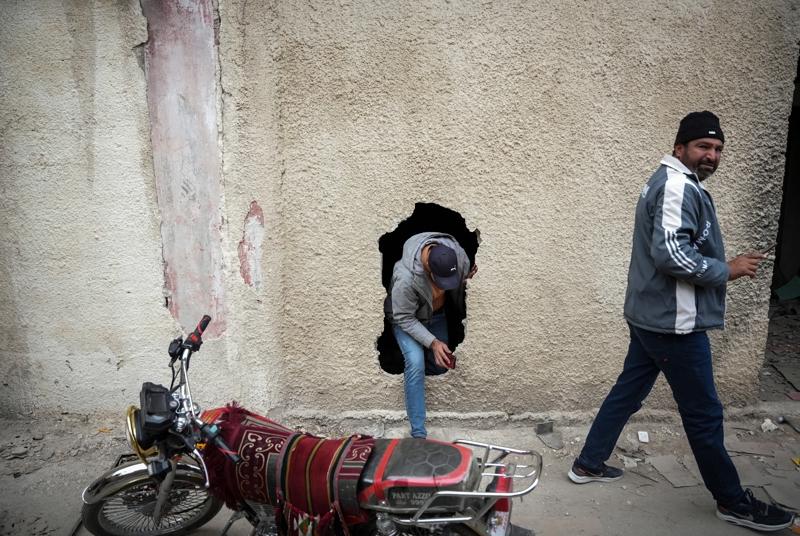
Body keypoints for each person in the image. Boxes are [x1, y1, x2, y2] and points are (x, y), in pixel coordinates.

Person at [568, 111, 795, 532]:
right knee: (704, 414)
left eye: (718, 149)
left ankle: (588, 462)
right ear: (680, 148)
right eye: (703, 146)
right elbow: (671, 254)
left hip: (651, 315)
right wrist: (726, 269)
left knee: (628, 391)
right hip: (673, 324)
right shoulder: (676, 185)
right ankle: (732, 502)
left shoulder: (674, 181)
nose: (712, 155)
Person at [386, 231, 477, 439]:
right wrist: (432, 342)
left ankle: (412, 370)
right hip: (407, 319)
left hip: (436, 315)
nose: (444, 286)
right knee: (415, 363)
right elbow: (404, 317)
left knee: (441, 364)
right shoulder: (405, 277)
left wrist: (466, 280)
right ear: (428, 267)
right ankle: (418, 433)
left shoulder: (457, 255)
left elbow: (461, 278)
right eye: (441, 281)